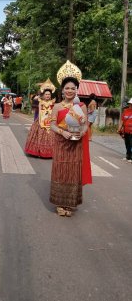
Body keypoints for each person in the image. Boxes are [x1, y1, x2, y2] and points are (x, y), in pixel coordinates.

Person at [50, 60, 92, 217]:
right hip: (62, 144)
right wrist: (62, 133)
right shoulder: (57, 107)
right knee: (61, 172)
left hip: (76, 144)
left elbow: (86, 125)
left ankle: (70, 203)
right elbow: (53, 126)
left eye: (72, 88)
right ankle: (60, 203)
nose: (69, 91)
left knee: (73, 172)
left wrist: (82, 132)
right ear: (62, 89)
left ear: (76, 90)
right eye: (67, 88)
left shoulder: (81, 107)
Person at [25, 80, 56, 158]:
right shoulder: (40, 102)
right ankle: (38, 151)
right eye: (46, 94)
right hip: (40, 121)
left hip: (50, 122)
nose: (48, 96)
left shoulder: (53, 103)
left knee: (50, 137)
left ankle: (49, 153)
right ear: (43, 95)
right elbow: (38, 111)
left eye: (49, 94)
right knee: (39, 135)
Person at [118, 98, 132, 162]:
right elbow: (122, 121)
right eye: (130, 104)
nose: (131, 105)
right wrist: (119, 128)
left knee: (131, 144)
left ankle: (131, 157)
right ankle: (128, 156)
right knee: (127, 144)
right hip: (126, 130)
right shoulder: (125, 111)